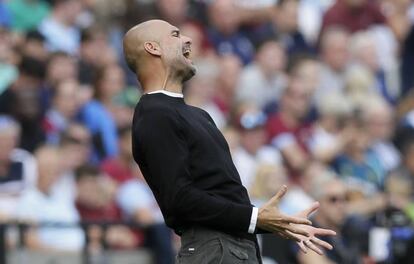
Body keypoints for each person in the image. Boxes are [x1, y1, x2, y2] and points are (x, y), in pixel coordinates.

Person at [123, 19, 335, 263]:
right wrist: (256, 218)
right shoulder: (155, 114)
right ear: (153, 48)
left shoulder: (197, 114)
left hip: (232, 248)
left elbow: (221, 196)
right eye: (175, 35)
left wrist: (275, 223)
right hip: (214, 250)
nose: (188, 40)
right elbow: (180, 199)